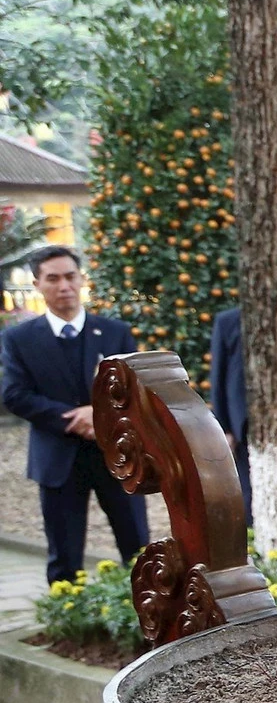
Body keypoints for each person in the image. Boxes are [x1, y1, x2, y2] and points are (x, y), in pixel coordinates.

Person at [1, 246, 149, 583]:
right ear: (38, 284)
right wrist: (73, 418)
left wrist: (96, 416)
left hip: (117, 455)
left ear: (82, 279)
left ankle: (149, 625)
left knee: (138, 549)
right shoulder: (18, 339)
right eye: (53, 278)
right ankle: (69, 627)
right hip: (57, 460)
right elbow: (14, 394)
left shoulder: (114, 332)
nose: (64, 285)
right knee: (64, 557)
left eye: (70, 276)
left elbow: (135, 389)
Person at [208, 305, 251, 517]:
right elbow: (218, 378)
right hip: (244, 424)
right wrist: (224, 427)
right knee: (249, 495)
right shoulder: (229, 320)